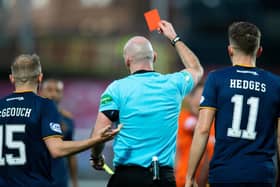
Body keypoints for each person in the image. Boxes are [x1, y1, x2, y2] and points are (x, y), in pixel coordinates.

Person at [90, 20, 203, 187]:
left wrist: (97, 156)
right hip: (163, 179)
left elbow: (100, 134)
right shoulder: (174, 84)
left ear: (127, 61)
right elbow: (196, 68)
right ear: (154, 57)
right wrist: (174, 37)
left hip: (126, 178)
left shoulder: (116, 89)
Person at [0, 54, 121, 187]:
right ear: (40, 78)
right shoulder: (44, 105)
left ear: (11, 78)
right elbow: (57, 149)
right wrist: (95, 140)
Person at [185, 21, 280, 187]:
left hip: (224, 173)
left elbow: (203, 129)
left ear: (230, 50)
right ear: (259, 51)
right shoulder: (276, 84)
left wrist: (190, 177)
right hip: (261, 175)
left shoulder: (217, 79)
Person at [175, 83, 215, 187]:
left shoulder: (215, 124)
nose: (201, 101)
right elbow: (192, 125)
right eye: (198, 97)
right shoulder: (182, 118)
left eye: (204, 97)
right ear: (189, 98)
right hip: (182, 182)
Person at [41, 79, 78, 187]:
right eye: (49, 90)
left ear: (62, 94)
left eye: (57, 91)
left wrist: (75, 182)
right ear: (41, 92)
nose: (53, 94)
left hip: (60, 179)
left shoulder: (67, 119)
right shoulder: (33, 116)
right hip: (38, 179)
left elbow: (71, 154)